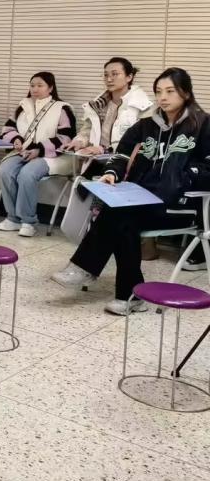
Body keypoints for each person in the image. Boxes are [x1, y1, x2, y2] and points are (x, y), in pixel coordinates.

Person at [52, 68, 210, 314]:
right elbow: (122, 154)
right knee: (123, 219)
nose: (163, 97)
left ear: (186, 93)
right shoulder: (147, 125)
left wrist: (184, 177)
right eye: (159, 91)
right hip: (141, 200)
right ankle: (130, 295)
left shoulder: (203, 125)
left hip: (180, 205)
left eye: (170, 91)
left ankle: (87, 268)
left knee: (121, 216)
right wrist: (111, 173)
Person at [0, 72, 76, 237]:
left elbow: (66, 137)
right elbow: (8, 128)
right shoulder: (23, 106)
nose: (35, 89)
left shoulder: (62, 108)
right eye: (32, 85)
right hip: (22, 151)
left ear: (50, 88)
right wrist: (16, 139)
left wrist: (39, 150)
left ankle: (28, 221)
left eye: (40, 85)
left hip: (51, 155)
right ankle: (13, 218)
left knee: (27, 174)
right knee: (4, 171)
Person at [63, 57, 152, 158]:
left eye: (115, 74)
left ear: (129, 77)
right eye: (106, 75)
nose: (109, 79)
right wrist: (79, 142)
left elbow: (143, 143)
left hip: (125, 163)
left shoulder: (142, 106)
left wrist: (104, 150)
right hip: (95, 160)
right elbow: (88, 130)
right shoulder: (98, 104)